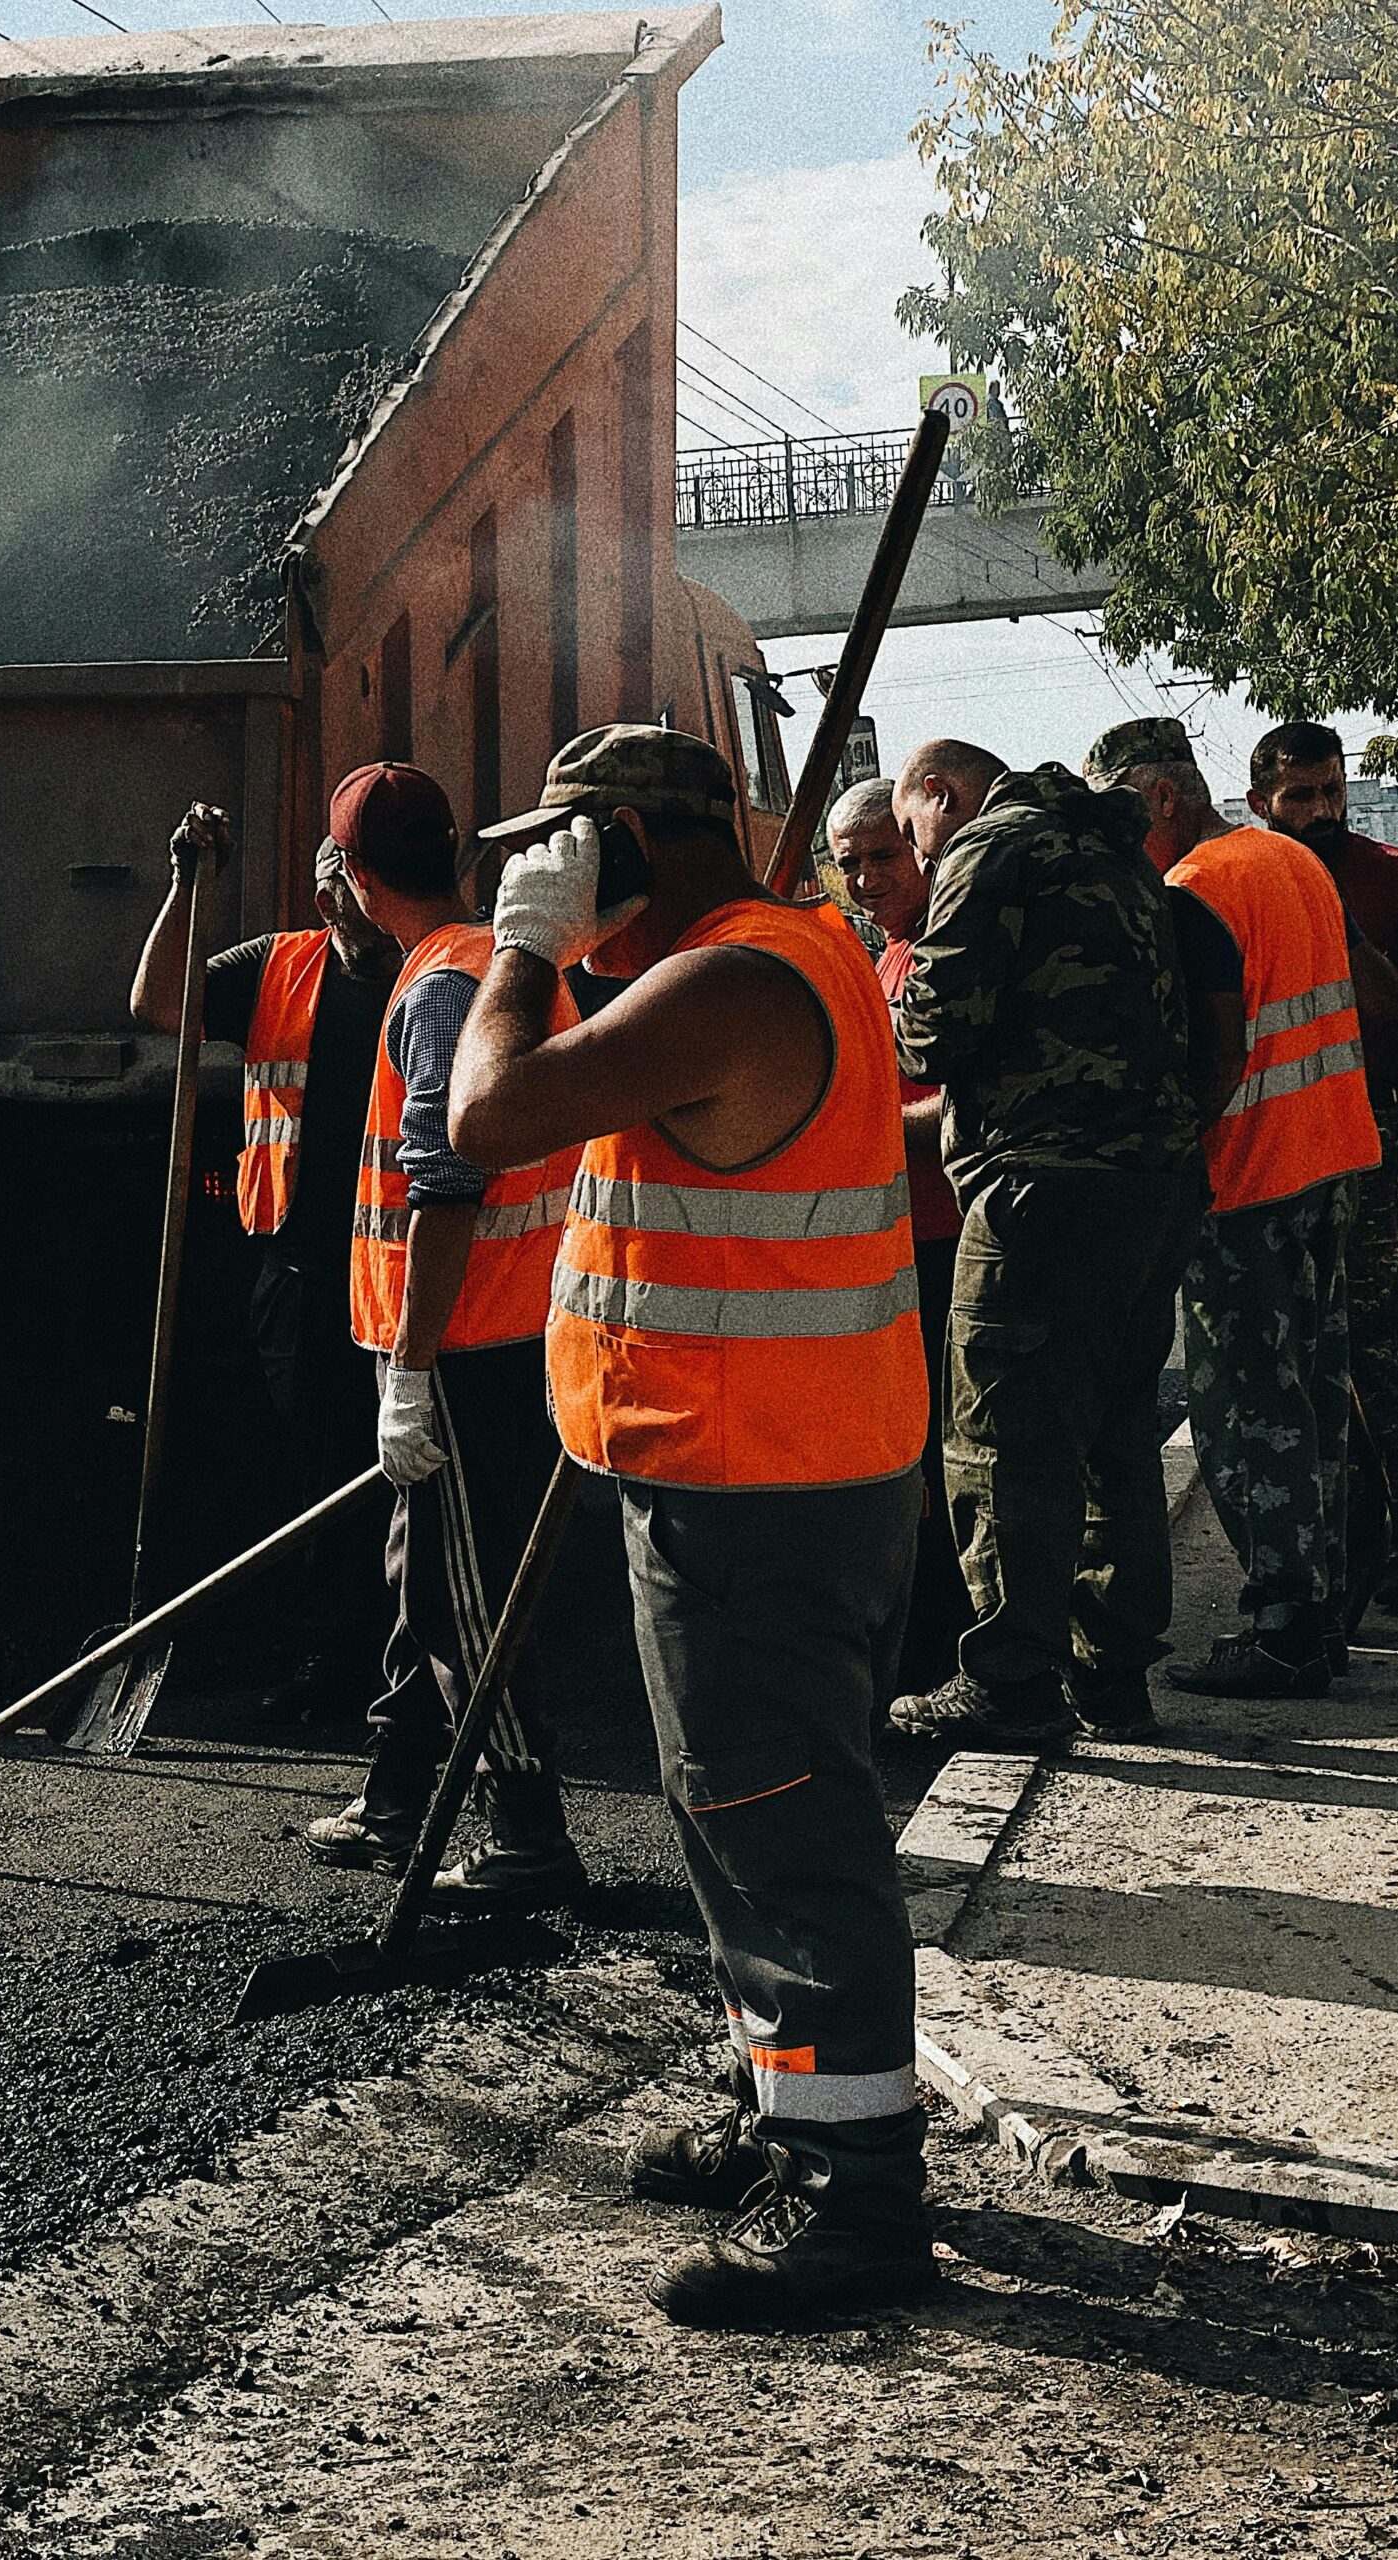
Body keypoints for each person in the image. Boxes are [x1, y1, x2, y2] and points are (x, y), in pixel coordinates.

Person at [452, 725, 933, 2328]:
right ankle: (785, 2108)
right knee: (739, 1818)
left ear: (632, 850)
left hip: (764, 1490)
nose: (543, 874)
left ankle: (855, 2203)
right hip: (754, 1474)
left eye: (567, 847)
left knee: (785, 1828)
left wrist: (521, 952)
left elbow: (490, 1114)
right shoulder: (749, 960)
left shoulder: (733, 983)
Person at [305, 761, 586, 1910]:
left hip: (464, 1340)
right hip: (513, 1325)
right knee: (426, 1573)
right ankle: (396, 1790)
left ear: (359, 882)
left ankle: (526, 1833)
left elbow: (445, 1187)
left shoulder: (433, 993)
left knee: (461, 1600)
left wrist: (410, 1372)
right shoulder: (497, 966)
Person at [888, 739, 1207, 1748]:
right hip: (1149, 1182)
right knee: (1115, 1429)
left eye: (908, 830)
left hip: (1039, 1188)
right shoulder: (1117, 851)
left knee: (1002, 1439)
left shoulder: (991, 849)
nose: (918, 850)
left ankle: (1010, 1677)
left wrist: (887, 1010)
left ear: (937, 794)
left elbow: (936, 1032)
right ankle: (1111, 1672)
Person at [1085, 718, 1390, 1695]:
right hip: (1330, 1159)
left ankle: (1285, 1634)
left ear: (1156, 797)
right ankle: (1323, 1612)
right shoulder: (1289, 860)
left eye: (1115, 811)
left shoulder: (1194, 890)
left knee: (1247, 1410)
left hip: (1248, 1180)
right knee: (1313, 1403)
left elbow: (1210, 1055)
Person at [130, 808, 400, 1724]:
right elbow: (159, 1005)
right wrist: (184, 883)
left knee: (398, 1471)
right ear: (327, 896)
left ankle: (397, 1658)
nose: (362, 915)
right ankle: (336, 1657)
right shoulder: (278, 967)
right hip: (299, 1266)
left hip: (406, 1266)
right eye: (347, 897)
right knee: (320, 1466)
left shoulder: (437, 968)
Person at [830, 776, 972, 1693]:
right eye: (848, 865)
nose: (866, 878)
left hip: (945, 1241)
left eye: (883, 855)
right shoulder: (883, 956)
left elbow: (964, 1109)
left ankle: (942, 1650)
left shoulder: (954, 951)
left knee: (945, 1460)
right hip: (893, 1245)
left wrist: (851, 1124)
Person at [1249, 721, 1398, 963]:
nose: (1322, 811)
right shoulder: (1243, 887)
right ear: (1259, 805)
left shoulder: (1389, 874)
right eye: (1300, 796)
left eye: (1332, 790)